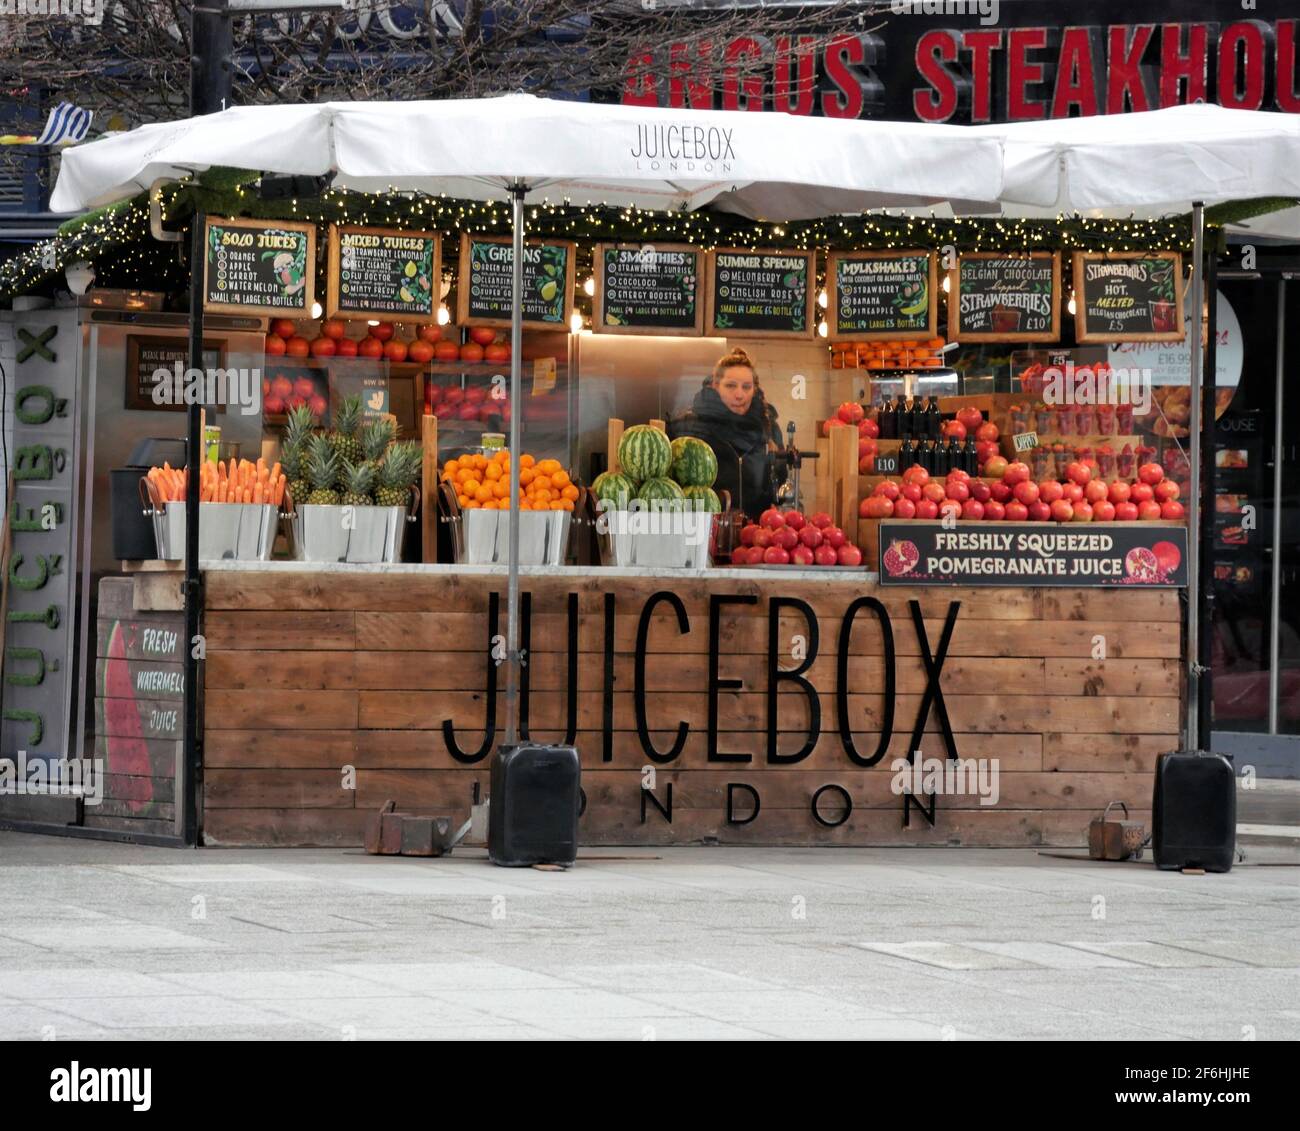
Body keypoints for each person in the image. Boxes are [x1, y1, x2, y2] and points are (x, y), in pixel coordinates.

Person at [669, 347, 784, 517]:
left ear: (755, 389)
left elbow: (779, 485)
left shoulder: (768, 429)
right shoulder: (690, 427)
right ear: (716, 386)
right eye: (730, 386)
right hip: (706, 530)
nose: (739, 395)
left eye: (747, 387)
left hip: (758, 535)